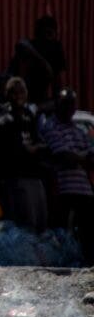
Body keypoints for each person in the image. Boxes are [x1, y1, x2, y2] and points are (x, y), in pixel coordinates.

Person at [41, 89, 94, 264]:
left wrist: (77, 157)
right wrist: (81, 158)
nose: (69, 108)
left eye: (71, 104)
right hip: (61, 186)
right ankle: (62, 261)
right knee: (61, 227)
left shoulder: (78, 130)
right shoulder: (50, 126)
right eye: (65, 103)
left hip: (83, 187)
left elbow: (90, 156)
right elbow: (62, 155)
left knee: (87, 228)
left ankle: (86, 262)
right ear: (57, 105)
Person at [0, 77, 49, 231]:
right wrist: (34, 148)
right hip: (17, 177)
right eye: (14, 92)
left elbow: (36, 141)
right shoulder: (4, 119)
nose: (18, 95)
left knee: (41, 221)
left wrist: (36, 147)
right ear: (7, 95)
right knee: (26, 223)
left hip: (33, 174)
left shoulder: (28, 115)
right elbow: (19, 148)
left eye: (22, 91)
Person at [7, 16, 67, 108]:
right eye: (47, 33)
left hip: (41, 98)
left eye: (52, 33)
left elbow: (57, 80)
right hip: (21, 96)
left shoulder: (55, 49)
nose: (50, 38)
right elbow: (21, 44)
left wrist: (58, 101)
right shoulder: (30, 46)